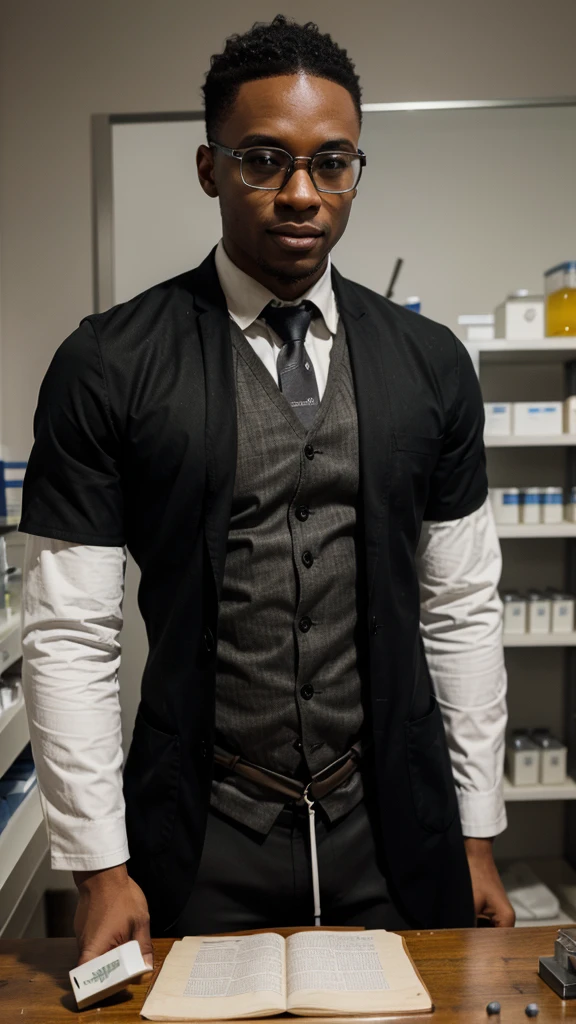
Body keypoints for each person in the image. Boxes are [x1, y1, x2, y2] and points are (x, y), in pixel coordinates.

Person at [20, 14, 514, 968]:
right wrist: (96, 864)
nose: (302, 194)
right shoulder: (107, 363)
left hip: (394, 825)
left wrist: (476, 830)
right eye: (263, 160)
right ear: (209, 168)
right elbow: (68, 630)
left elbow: (460, 609)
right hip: (197, 831)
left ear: (357, 171)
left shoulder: (431, 365)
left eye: (333, 163)